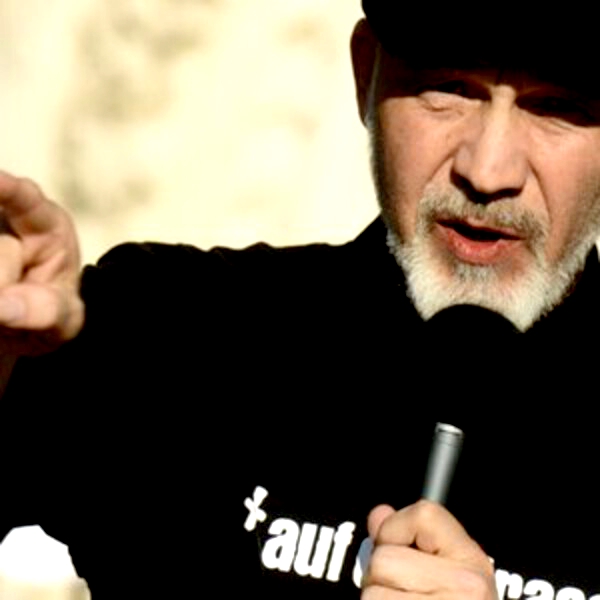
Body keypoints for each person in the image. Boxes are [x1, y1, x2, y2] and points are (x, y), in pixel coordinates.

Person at [1, 2, 600, 599]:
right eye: (446, 89)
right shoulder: (165, 330)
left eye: (558, 107)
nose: (488, 171)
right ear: (365, 75)